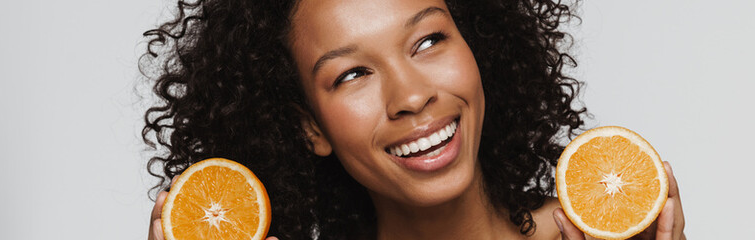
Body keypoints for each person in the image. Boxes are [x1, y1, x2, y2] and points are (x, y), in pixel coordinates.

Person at [141, 0, 686, 239]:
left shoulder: (604, 237)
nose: (410, 97)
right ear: (309, 127)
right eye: (353, 74)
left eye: (428, 41)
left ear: (479, 50)